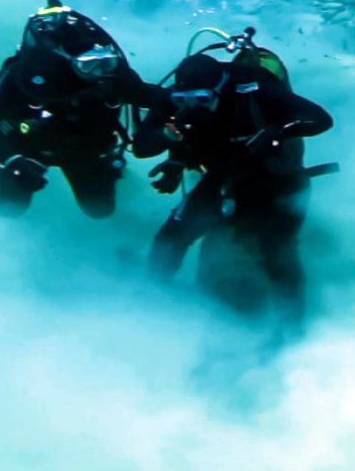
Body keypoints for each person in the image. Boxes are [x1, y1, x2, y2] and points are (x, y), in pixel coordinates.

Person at [133, 34, 334, 321]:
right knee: (170, 238)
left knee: (277, 250)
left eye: (202, 99)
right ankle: (149, 301)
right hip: (221, 176)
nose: (193, 107)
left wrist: (276, 131)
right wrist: (169, 140)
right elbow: (141, 146)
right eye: (184, 100)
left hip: (275, 178)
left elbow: (320, 118)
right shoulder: (174, 101)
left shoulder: (250, 87)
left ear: (220, 87)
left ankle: (292, 325)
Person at [0, 0, 166, 218]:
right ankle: (0, 167)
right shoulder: (25, 74)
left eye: (105, 61)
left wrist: (190, 107)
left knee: (100, 210)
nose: (100, 70)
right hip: (28, 146)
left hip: (84, 149)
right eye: (90, 64)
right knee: (9, 207)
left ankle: (108, 170)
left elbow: (151, 97)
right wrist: (10, 157)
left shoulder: (112, 75)